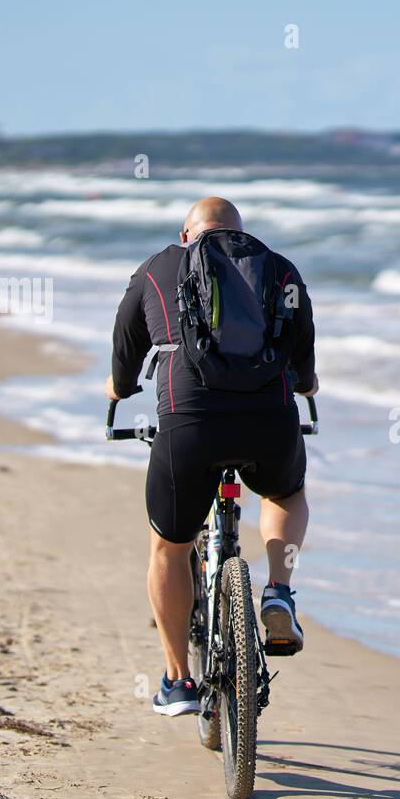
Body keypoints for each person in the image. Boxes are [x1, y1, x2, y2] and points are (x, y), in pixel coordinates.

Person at [105, 197, 317, 716]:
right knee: (284, 492)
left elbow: (126, 346)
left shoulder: (157, 268)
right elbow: (303, 359)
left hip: (189, 424)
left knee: (169, 547)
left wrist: (117, 390)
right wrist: (306, 386)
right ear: (241, 235)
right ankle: (279, 592)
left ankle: (178, 682)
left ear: (186, 235)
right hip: (268, 422)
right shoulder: (280, 269)